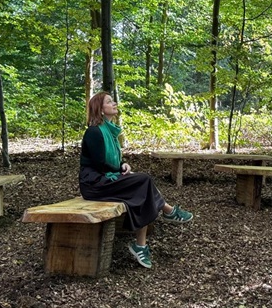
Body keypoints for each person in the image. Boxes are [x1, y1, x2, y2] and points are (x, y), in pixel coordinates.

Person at [79, 91, 193, 269]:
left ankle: (141, 245)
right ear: (100, 110)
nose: (114, 103)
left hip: (106, 179)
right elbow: (100, 164)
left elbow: (112, 160)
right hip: (94, 184)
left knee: (142, 186)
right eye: (109, 102)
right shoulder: (94, 132)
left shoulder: (110, 131)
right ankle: (167, 212)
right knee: (143, 181)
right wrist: (120, 169)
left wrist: (123, 165)